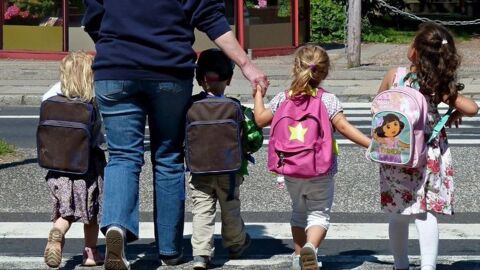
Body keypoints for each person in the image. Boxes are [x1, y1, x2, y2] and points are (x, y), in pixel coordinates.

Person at [81, 1, 269, 269]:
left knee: (123, 156)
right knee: (168, 155)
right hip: (168, 71)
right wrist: (246, 65)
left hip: (115, 69)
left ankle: (117, 229)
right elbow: (211, 19)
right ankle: (169, 250)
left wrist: (116, 46)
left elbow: (93, 18)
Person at [253, 44, 371, 270]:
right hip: (320, 170)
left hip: (290, 167)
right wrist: (372, 145)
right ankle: (311, 248)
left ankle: (298, 260)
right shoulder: (328, 100)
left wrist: (258, 94)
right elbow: (344, 128)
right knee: (319, 213)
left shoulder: (283, 98)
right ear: (324, 73)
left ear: (296, 68)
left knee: (298, 212)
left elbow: (259, 120)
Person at [376, 22, 478, 270]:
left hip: (396, 151)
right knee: (425, 212)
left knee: (398, 214)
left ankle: (400, 265)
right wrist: (450, 112)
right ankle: (428, 267)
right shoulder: (437, 84)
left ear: (414, 49)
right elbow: (472, 108)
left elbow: (378, 103)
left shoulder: (395, 75)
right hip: (427, 153)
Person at [188, 48, 260, 269]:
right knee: (230, 207)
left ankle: (201, 254)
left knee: (202, 209)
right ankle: (236, 243)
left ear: (200, 79)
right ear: (228, 79)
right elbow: (252, 137)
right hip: (229, 171)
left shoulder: (190, 106)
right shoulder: (235, 107)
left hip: (199, 169)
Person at [42, 51, 105, 268]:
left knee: (64, 208)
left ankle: (57, 233)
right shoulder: (91, 102)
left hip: (56, 165)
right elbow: (97, 137)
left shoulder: (49, 97)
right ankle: (91, 254)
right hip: (85, 167)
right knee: (90, 212)